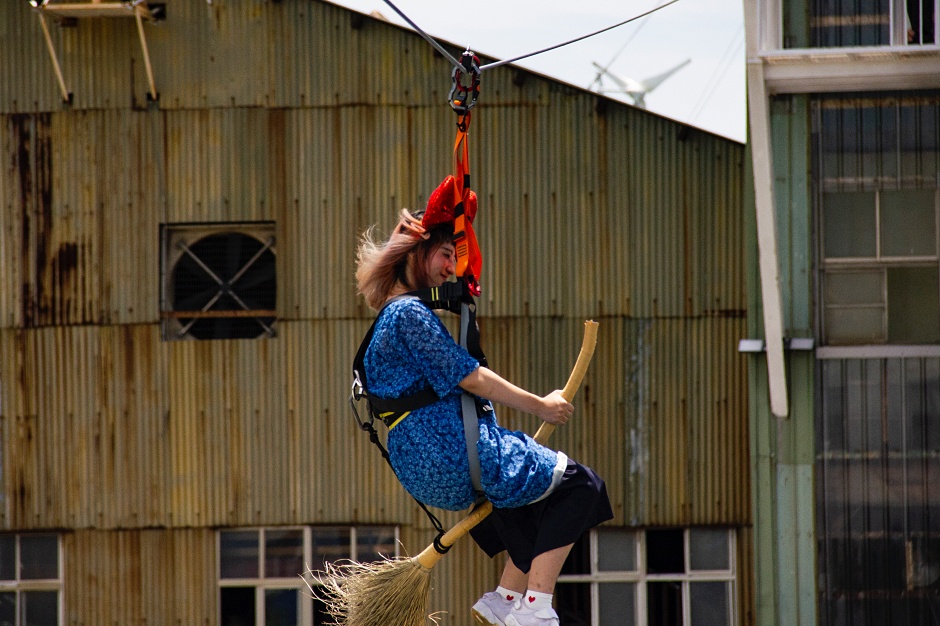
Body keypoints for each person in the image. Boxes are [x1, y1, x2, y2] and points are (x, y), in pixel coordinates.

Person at [355, 177, 613, 626]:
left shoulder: (390, 319)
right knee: (582, 487)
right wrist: (541, 406)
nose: (449, 270)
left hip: (429, 466)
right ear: (415, 254)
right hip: (451, 453)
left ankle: (504, 599)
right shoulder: (408, 313)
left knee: (532, 505)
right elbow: (471, 377)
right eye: (444, 256)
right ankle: (536, 607)